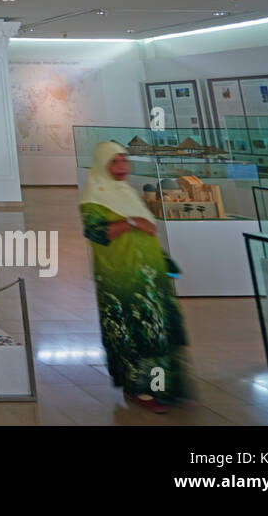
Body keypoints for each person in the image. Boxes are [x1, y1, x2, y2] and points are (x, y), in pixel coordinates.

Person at [80, 140, 191, 413]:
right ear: (102, 164)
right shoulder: (94, 196)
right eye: (114, 161)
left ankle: (166, 388)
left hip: (150, 278)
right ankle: (141, 390)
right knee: (138, 334)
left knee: (161, 333)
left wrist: (164, 261)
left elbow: (147, 231)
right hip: (122, 279)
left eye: (124, 161)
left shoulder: (126, 192)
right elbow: (97, 233)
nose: (121, 167)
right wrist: (130, 222)